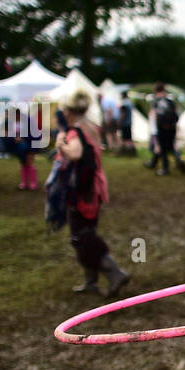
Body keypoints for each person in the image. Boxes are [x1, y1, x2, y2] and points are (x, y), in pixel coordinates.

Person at [54, 91, 130, 298]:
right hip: (93, 187)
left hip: (83, 191)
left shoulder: (76, 131)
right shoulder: (91, 126)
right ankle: (91, 281)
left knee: (82, 236)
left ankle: (115, 272)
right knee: (85, 233)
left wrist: (61, 142)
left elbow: (75, 153)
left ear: (69, 112)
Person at [150, 83, 185, 175]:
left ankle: (165, 169)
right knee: (172, 146)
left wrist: (153, 130)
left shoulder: (156, 102)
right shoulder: (170, 101)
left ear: (156, 92)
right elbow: (177, 115)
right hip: (172, 128)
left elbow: (153, 117)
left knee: (163, 149)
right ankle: (179, 159)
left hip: (161, 128)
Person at [118, 91, 136, 156]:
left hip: (125, 123)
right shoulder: (130, 102)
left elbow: (123, 113)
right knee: (128, 138)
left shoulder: (124, 103)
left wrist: (119, 121)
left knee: (126, 139)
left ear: (123, 95)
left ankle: (129, 152)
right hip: (129, 122)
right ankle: (131, 152)